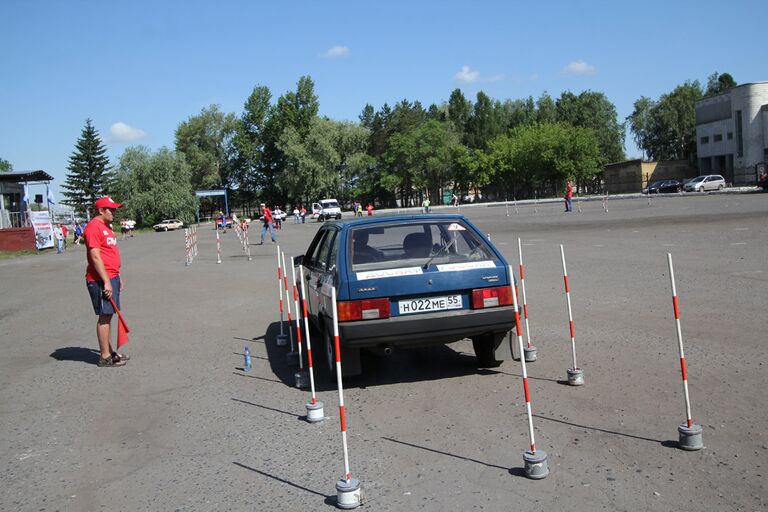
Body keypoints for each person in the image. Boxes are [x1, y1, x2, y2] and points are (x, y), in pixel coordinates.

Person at [83, 196, 129, 367]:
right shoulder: (93, 227)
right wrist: (106, 281)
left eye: (115, 209)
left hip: (111, 276)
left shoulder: (106, 227)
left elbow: (109, 254)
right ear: (101, 210)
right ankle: (104, 357)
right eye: (111, 209)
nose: (114, 212)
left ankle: (109, 351)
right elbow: (95, 256)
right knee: (105, 317)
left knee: (109, 315)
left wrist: (117, 276)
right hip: (100, 279)